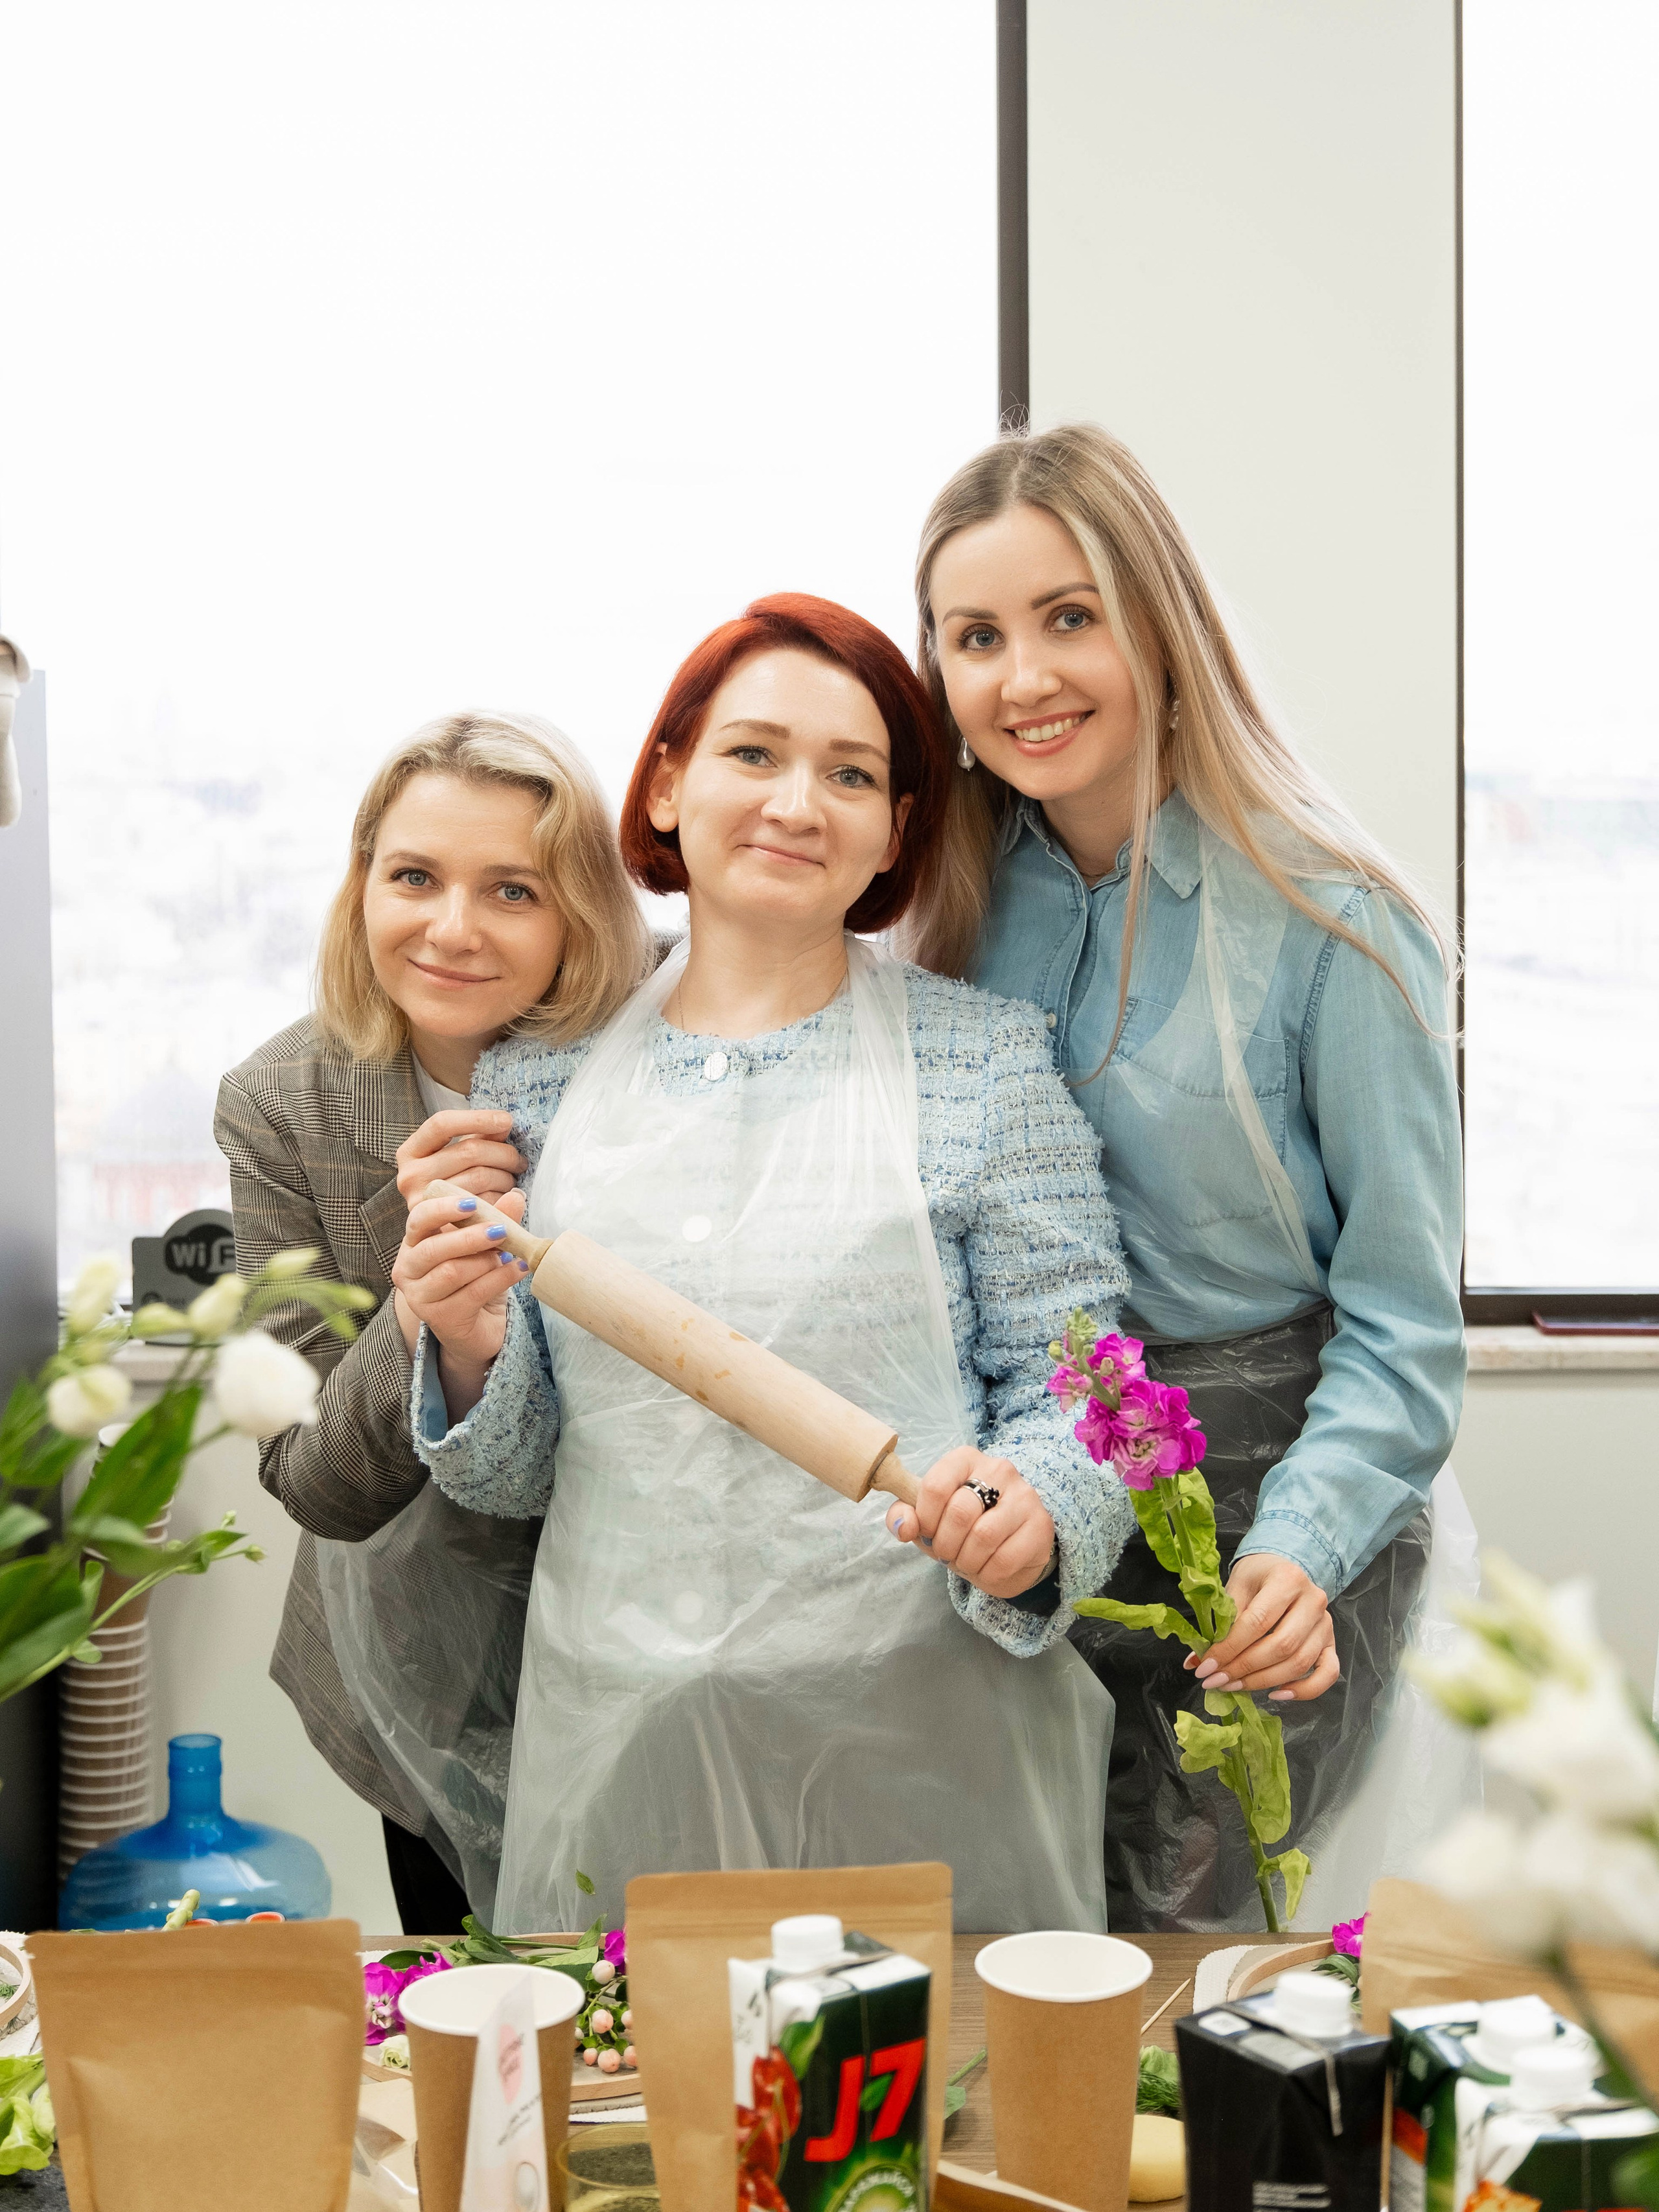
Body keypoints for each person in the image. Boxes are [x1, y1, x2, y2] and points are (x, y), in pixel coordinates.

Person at [394, 594, 1128, 1935]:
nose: (797, 802)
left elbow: (1086, 1390)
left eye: (849, 775)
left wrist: (1038, 1519)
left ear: (894, 832)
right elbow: (511, 1478)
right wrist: (461, 1343)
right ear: (667, 782)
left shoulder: (985, 1063)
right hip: (623, 1743)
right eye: (752, 754)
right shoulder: (535, 1082)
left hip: (919, 1735)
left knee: (944, 2122)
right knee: (630, 2131)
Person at [903, 423, 1472, 1931]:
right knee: (1022, 1936)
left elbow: (1406, 1322)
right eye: (977, 637)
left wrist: (1300, 1545)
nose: (1023, 677)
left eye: (1068, 617)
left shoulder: (1333, 920)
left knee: (1186, 1958)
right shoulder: (947, 921)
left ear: (1161, 630)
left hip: (1278, 1490)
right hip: (1037, 1480)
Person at [215, 711, 647, 1929]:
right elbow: (313, 1481)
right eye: (414, 877)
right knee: (489, 2041)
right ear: (363, 887)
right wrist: (416, 1307)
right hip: (421, 1674)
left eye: (512, 888)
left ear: (581, 911)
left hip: (656, 1625)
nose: (451, 928)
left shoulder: (673, 1035)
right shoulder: (283, 1102)